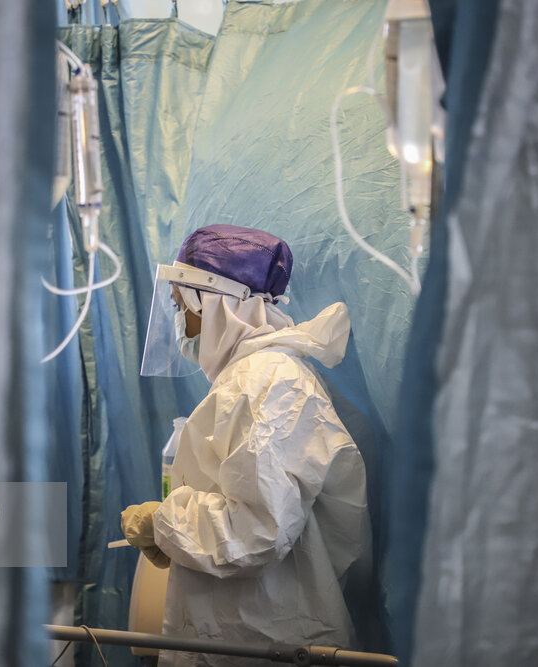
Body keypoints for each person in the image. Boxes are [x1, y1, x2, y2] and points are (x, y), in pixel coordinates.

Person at [122, 224, 372, 666]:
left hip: (266, 637)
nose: (180, 324)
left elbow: (256, 532)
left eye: (181, 307)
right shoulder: (254, 377)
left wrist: (163, 521)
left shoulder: (267, 382)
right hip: (248, 630)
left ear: (214, 304)